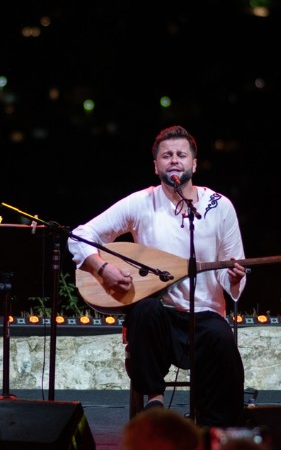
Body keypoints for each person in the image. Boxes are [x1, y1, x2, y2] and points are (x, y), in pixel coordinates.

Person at [68, 125, 248, 426]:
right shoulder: (142, 202)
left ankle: (214, 429)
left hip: (205, 315)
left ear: (194, 163)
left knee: (222, 340)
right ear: (156, 166)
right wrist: (104, 268)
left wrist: (232, 278)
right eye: (166, 155)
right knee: (145, 310)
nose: (174, 160)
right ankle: (154, 401)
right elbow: (80, 235)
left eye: (181, 154)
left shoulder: (219, 207)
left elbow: (233, 273)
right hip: (160, 318)